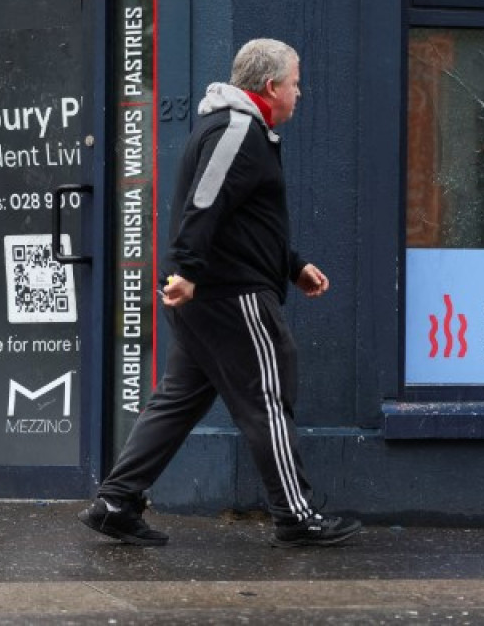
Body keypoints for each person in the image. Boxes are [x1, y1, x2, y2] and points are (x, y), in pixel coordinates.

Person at [79, 38, 361, 548]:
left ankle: (116, 502)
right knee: (268, 396)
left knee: (179, 400)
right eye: (296, 83)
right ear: (272, 86)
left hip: (209, 290)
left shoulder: (244, 130)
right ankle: (296, 516)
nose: (300, 92)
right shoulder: (237, 129)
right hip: (229, 294)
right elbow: (206, 200)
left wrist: (292, 266)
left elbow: (242, 218)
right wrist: (187, 267)